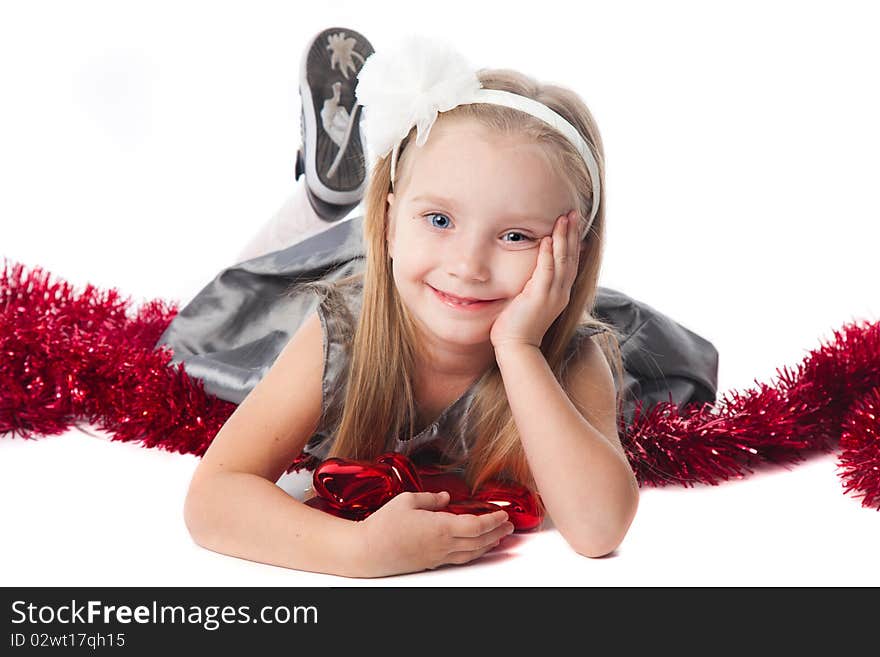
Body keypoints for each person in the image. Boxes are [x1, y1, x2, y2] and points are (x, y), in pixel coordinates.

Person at [174, 27, 719, 578]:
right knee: (237, 307)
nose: (468, 265)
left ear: (572, 251)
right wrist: (354, 551)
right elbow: (212, 498)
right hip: (373, 277)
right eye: (441, 220)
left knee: (422, 260)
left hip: (486, 298)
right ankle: (318, 205)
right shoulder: (344, 331)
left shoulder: (572, 359)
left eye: (516, 237)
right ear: (387, 223)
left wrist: (519, 347)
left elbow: (599, 530)